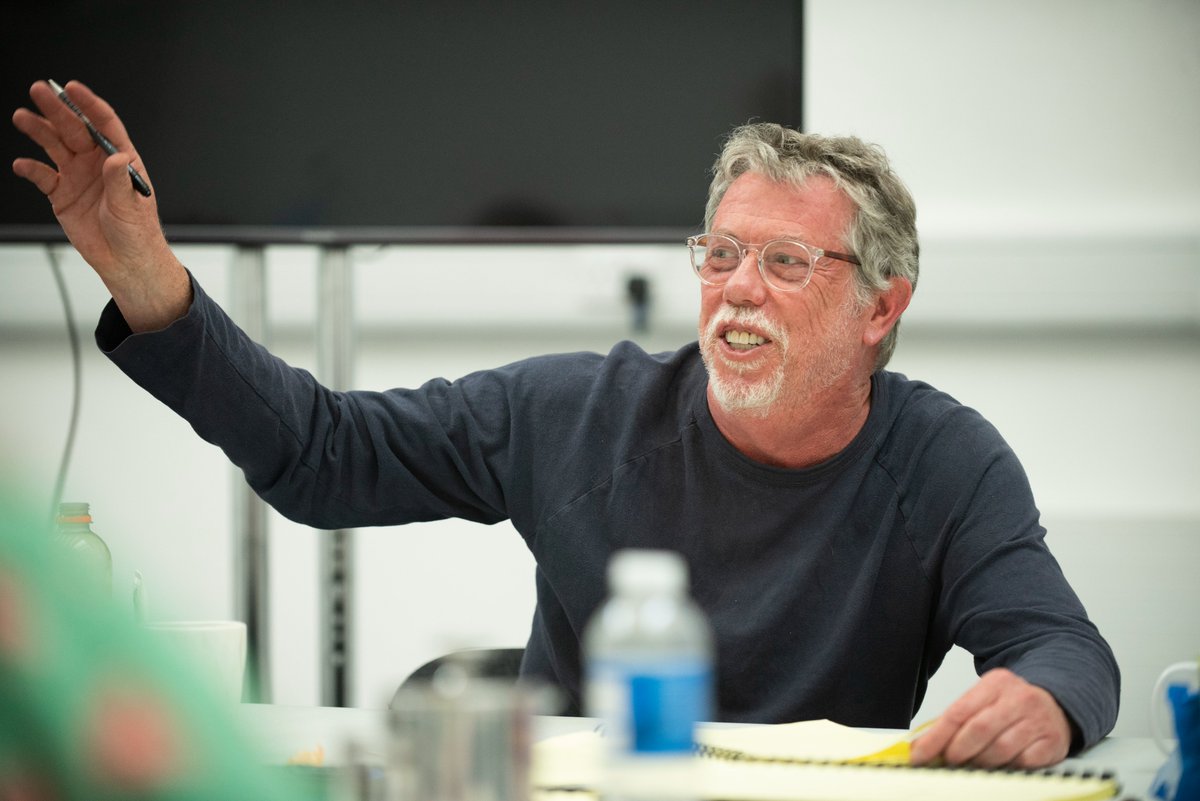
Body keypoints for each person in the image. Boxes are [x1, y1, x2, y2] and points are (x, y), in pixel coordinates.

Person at [12, 80, 1120, 770]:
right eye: (721, 255)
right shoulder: (578, 411)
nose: (737, 290)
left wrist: (1045, 702)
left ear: (881, 307)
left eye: (786, 264)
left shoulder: (947, 459)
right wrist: (152, 281)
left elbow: (1062, 647)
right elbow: (321, 456)